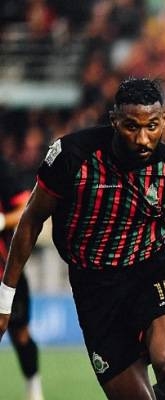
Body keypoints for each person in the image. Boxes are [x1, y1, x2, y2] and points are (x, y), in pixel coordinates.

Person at [0, 78, 165, 400]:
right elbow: (30, 222)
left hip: (150, 271)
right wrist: (4, 301)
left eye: (152, 126)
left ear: (164, 119)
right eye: (131, 127)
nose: (142, 138)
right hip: (94, 288)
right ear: (114, 120)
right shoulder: (72, 155)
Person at [0, 155, 45, 400]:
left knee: (20, 335)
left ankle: (34, 390)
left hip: (5, 275)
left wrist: (2, 220)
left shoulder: (2, 170)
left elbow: (25, 209)